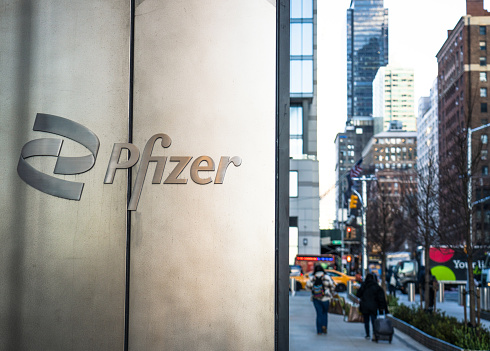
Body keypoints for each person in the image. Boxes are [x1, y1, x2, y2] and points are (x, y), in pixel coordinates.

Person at [356, 273, 387, 340]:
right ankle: (374, 334)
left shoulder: (364, 285)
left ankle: (367, 334)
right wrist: (382, 307)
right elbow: (381, 298)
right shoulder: (377, 287)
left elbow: (358, 294)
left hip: (365, 306)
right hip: (373, 307)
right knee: (374, 321)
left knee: (366, 321)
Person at [306, 265, 336, 335]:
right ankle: (324, 327)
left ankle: (319, 331)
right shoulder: (326, 277)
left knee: (319, 314)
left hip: (316, 298)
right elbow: (332, 287)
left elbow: (307, 287)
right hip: (326, 298)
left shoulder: (312, 278)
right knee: (325, 313)